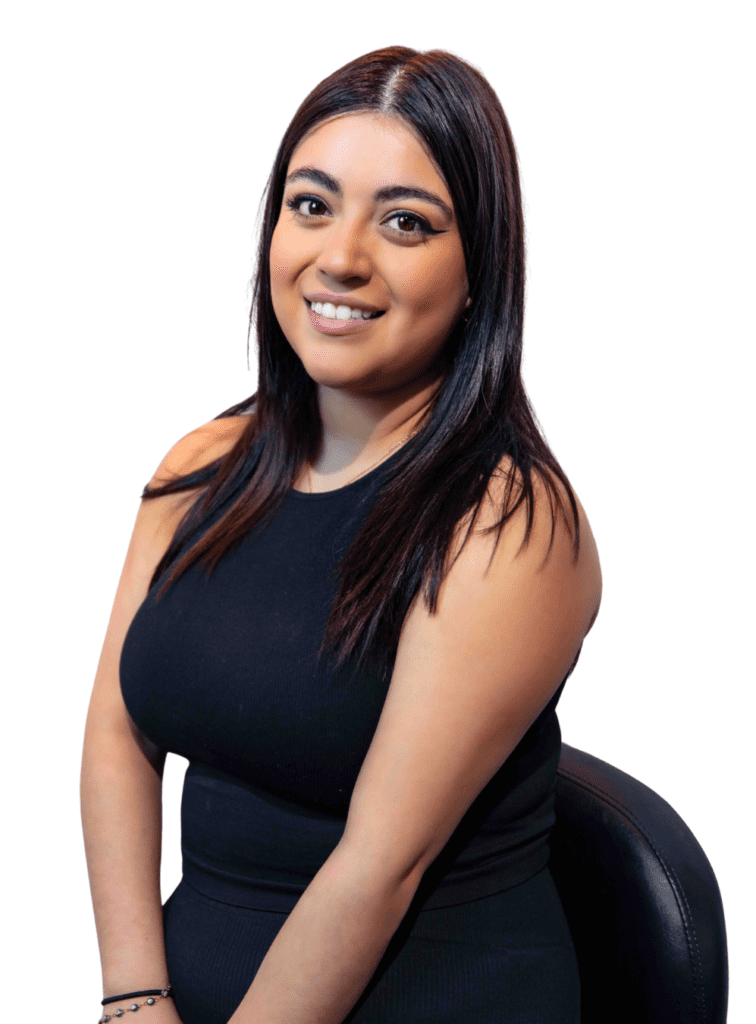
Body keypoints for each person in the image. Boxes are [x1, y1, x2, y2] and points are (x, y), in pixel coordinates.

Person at [81, 44, 602, 1024]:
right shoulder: (200, 465)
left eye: (405, 222)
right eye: (311, 205)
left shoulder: (509, 524)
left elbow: (380, 865)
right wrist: (133, 998)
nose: (341, 256)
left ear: (478, 267)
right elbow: (118, 733)